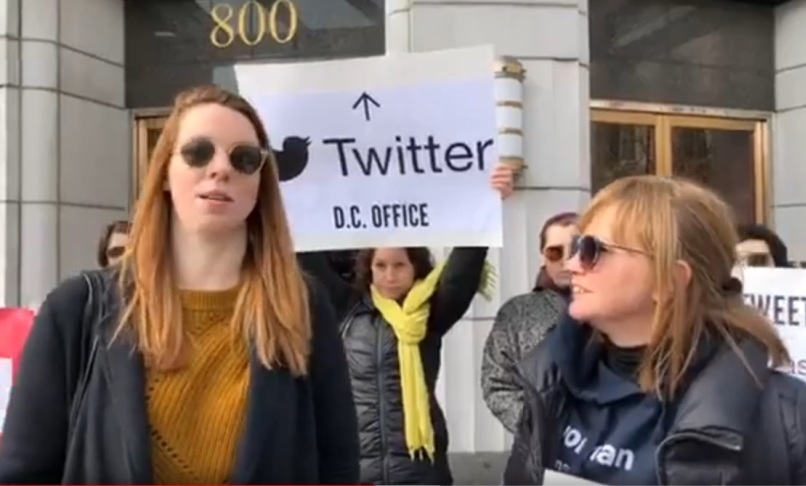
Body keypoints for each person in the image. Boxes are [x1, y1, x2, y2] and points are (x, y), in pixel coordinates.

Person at [0, 85, 360, 484]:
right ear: (166, 172)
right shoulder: (75, 309)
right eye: (198, 152)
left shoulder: (303, 307)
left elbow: (337, 467)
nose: (221, 168)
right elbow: (24, 472)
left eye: (244, 158)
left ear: (260, 183)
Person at [503, 175, 806, 485]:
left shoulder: (788, 419)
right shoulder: (550, 385)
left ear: (670, 280)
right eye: (579, 247)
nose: (572, 264)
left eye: (594, 250)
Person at [299, 164, 513, 485]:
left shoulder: (431, 313)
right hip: (358, 473)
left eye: (400, 264)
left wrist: (487, 200)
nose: (390, 274)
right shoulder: (346, 309)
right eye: (381, 265)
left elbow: (462, 270)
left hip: (421, 472)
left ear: (416, 267)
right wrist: (289, 194)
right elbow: (301, 252)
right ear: (368, 269)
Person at [481, 212, 578, 433]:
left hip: (613, 450)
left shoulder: (613, 307)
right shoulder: (518, 312)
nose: (565, 259)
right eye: (555, 252)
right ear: (543, 257)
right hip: (544, 450)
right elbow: (497, 383)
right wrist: (537, 428)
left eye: (575, 249)